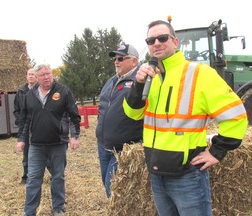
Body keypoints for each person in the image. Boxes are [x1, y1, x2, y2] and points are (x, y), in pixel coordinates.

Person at [123, 20, 248, 216]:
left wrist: (217, 151)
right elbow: (132, 113)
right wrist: (138, 85)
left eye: (162, 38)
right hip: (156, 173)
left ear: (175, 41)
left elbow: (236, 115)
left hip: (187, 177)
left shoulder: (200, 73)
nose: (156, 43)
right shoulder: (149, 77)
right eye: (150, 40)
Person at [16, 64, 81, 216]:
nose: (46, 77)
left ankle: (58, 208)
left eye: (49, 73)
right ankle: (30, 210)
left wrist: (74, 136)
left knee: (58, 176)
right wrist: (21, 138)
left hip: (58, 143)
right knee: (33, 179)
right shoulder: (30, 95)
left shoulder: (63, 92)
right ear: (37, 78)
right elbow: (24, 119)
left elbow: (74, 115)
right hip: (36, 145)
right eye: (43, 75)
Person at [96, 43, 143, 198]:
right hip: (104, 145)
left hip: (124, 147)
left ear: (134, 61)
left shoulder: (141, 82)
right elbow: (103, 107)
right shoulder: (111, 81)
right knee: (107, 184)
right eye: (115, 58)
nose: (116, 61)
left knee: (114, 189)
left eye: (121, 58)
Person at [13, 68, 37, 184]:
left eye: (33, 74)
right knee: (26, 153)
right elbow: (16, 109)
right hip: (25, 126)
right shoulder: (21, 91)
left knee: (44, 152)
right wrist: (19, 121)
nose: (31, 76)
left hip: (38, 125)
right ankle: (26, 177)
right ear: (26, 76)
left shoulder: (40, 90)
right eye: (29, 74)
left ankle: (53, 174)